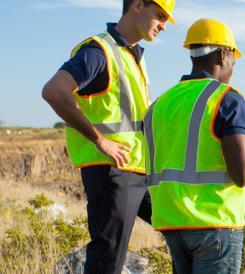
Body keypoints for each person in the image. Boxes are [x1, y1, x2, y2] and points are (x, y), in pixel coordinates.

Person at [143, 18, 245, 274]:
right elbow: (243, 174)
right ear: (223, 55)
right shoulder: (227, 99)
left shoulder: (160, 104)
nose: (233, 67)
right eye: (233, 59)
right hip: (215, 225)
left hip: (172, 224)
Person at [41, 0, 175, 273]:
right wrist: (101, 141)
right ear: (137, 5)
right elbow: (54, 91)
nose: (163, 25)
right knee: (108, 260)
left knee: (179, 227)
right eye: (160, 15)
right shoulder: (99, 51)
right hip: (112, 173)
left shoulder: (133, 55)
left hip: (138, 169)